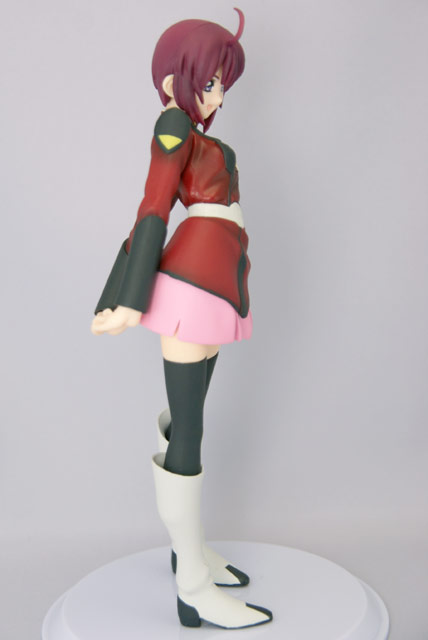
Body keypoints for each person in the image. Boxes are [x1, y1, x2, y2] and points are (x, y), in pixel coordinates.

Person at [91, 9, 272, 630]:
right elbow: (154, 205)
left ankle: (187, 555)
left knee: (185, 424)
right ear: (175, 81)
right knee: (189, 433)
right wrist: (125, 296)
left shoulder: (194, 133)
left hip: (215, 282)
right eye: (210, 81)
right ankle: (192, 585)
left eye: (223, 84)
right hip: (193, 284)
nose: (218, 95)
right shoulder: (173, 123)